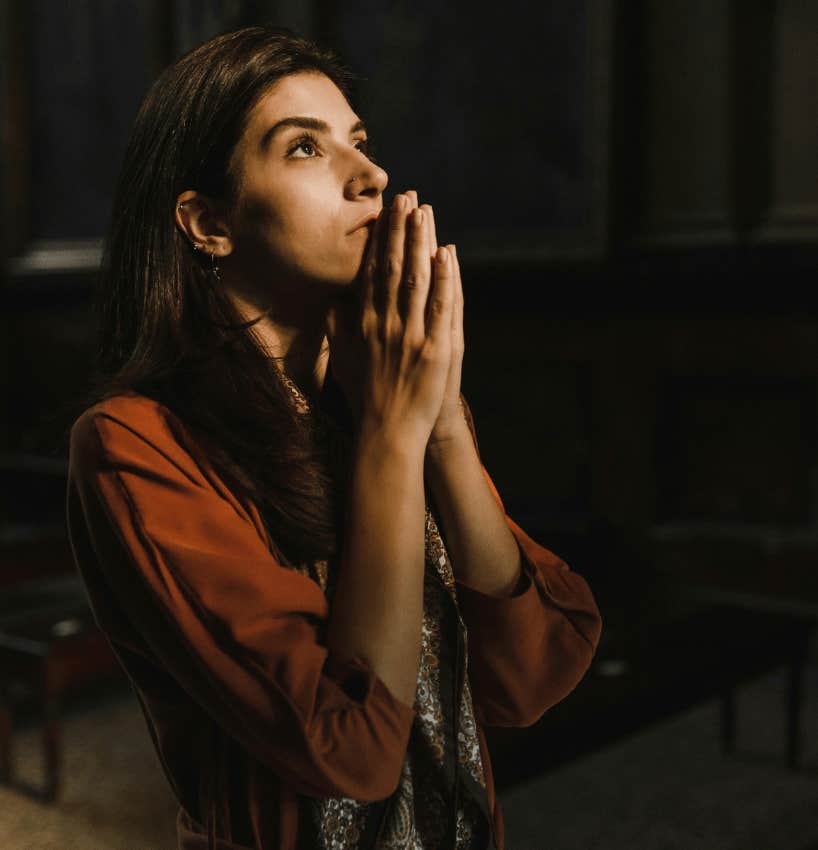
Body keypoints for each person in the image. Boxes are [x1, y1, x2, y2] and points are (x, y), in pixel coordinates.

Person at [65, 24, 602, 850]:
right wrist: (394, 433)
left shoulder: (367, 391)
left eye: (359, 140)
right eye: (305, 148)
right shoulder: (136, 443)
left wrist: (443, 418)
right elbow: (350, 750)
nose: (372, 176)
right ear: (207, 222)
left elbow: (535, 672)